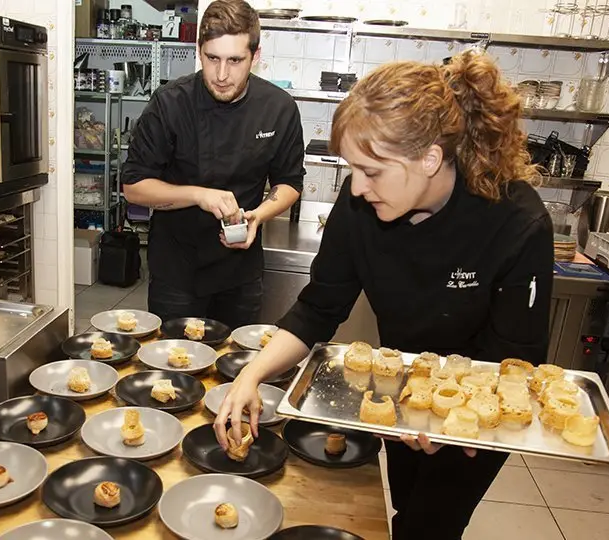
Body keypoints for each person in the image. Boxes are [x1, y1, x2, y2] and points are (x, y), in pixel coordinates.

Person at [214, 50, 554, 539]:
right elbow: (318, 307)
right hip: (402, 390)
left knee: (431, 526)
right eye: (352, 168)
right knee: (404, 512)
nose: (356, 188)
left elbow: (516, 362)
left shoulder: (515, 222)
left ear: (430, 157)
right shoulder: (361, 209)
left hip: (480, 412)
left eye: (373, 171)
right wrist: (252, 373)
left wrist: (448, 420)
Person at [121, 0, 303, 329]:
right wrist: (198, 195)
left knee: (234, 370)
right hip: (177, 272)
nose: (221, 75)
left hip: (241, 274)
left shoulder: (279, 108)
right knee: (175, 373)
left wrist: (257, 217)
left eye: (235, 61)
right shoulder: (170, 104)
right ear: (199, 50)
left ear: (256, 56)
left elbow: (290, 182)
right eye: (212, 58)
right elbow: (133, 187)